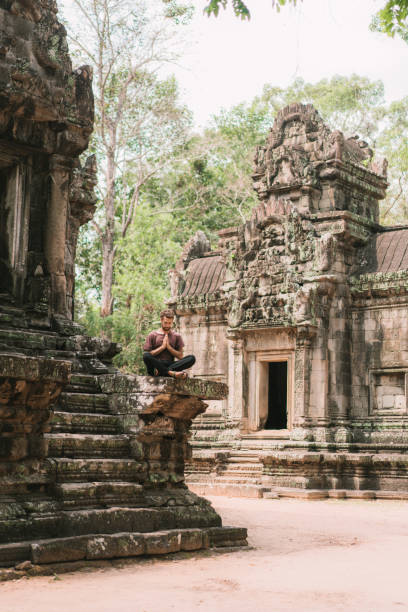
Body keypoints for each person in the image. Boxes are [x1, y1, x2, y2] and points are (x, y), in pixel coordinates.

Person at [143, 309, 195, 379]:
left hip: (170, 364)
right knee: (146, 355)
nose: (167, 325)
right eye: (165, 323)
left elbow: (180, 356)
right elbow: (149, 354)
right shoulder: (152, 335)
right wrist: (162, 347)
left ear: (172, 321)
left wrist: (169, 347)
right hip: (156, 365)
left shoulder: (176, 336)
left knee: (191, 358)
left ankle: (165, 372)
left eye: (170, 323)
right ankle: (170, 373)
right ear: (161, 320)